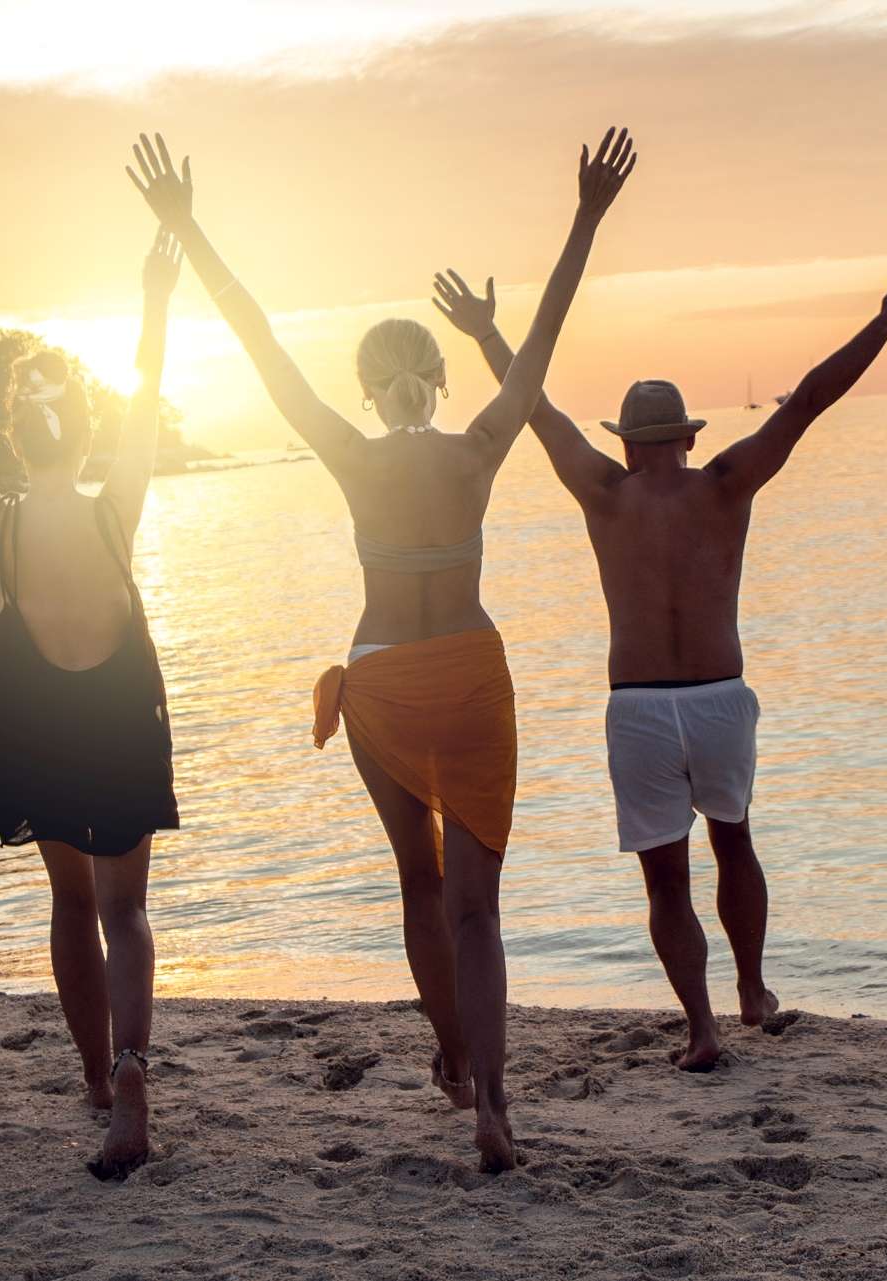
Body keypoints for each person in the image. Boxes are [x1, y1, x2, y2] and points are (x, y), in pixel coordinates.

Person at [129, 127, 637, 1172]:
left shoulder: (351, 454)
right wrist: (587, 214)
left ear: (367, 390)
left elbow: (261, 341)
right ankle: (495, 1104)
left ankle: (453, 1060)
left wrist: (186, 226)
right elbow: (542, 341)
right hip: (471, 673)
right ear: (439, 382)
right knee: (477, 910)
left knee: (419, 883)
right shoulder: (480, 447)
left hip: (387, 687)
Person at [432, 265, 887, 1069]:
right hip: (718, 698)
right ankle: (751, 990)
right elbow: (809, 399)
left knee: (665, 882)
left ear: (627, 443)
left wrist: (488, 335)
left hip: (637, 706)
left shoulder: (602, 489)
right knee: (734, 842)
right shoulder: (726, 484)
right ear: (690, 437)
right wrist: (882, 327)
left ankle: (702, 1028)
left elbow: (536, 408)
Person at [0, 215, 182, 1180]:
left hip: (39, 724)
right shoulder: (117, 505)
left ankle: (94, 1078)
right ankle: (130, 1062)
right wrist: (154, 299)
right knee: (126, 908)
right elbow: (146, 396)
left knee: (72, 904)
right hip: (119, 714)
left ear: (21, 442)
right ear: (78, 437)